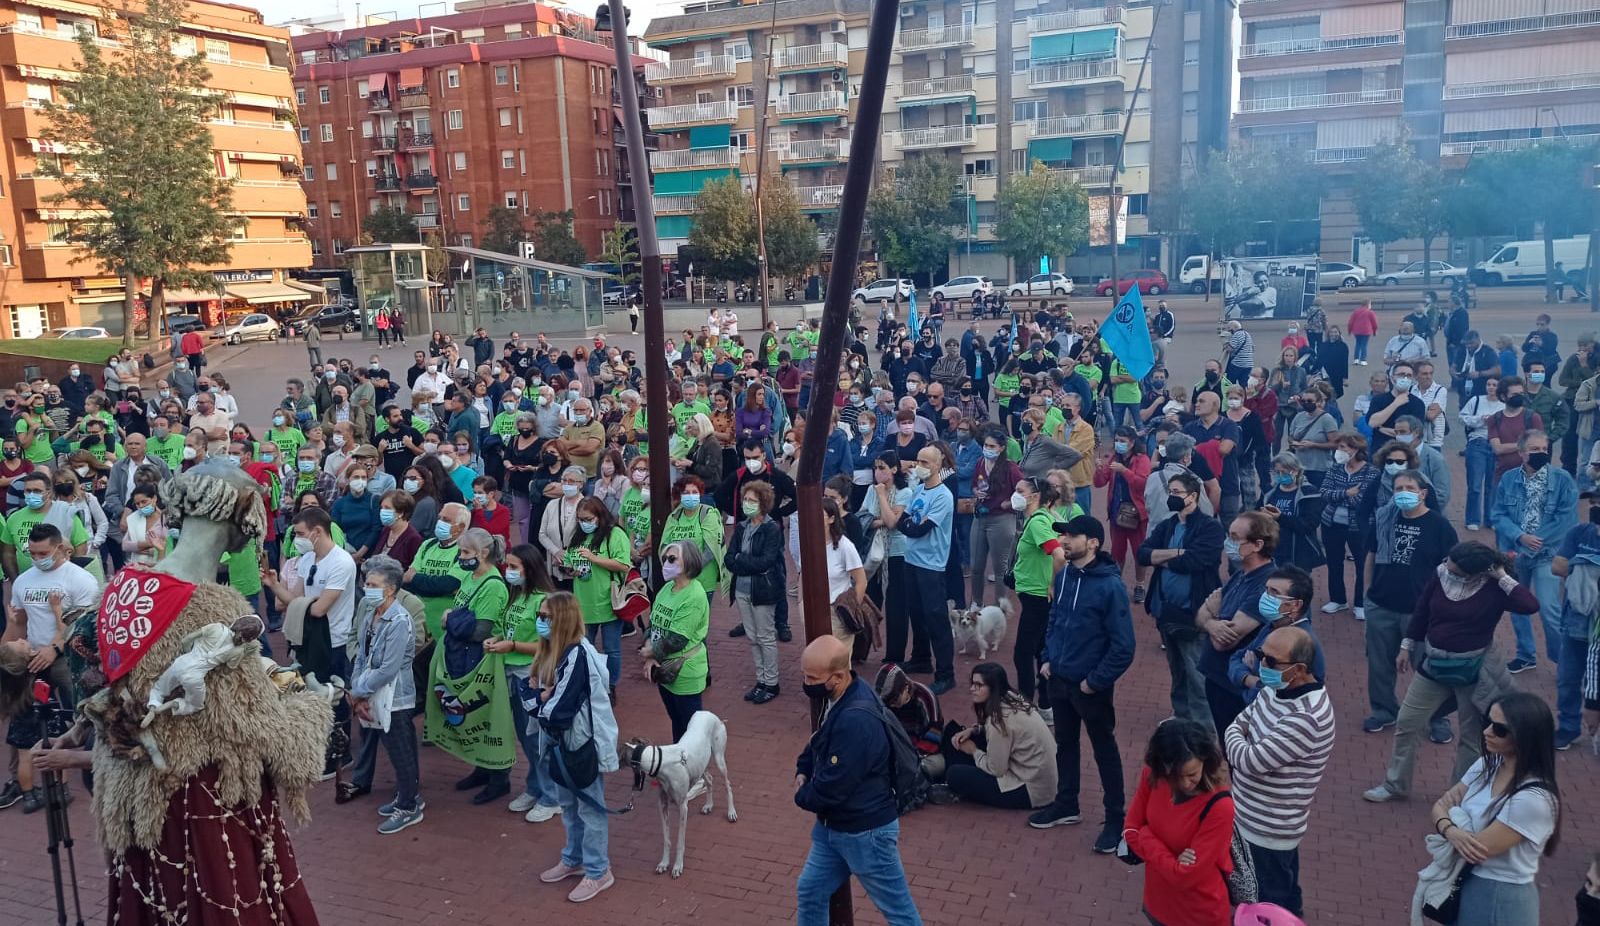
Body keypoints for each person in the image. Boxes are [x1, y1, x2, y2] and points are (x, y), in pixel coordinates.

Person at [1364, 542, 1536, 803]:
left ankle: (1457, 796)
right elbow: (1422, 610)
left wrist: (1501, 576)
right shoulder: (1442, 572)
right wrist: (1406, 645)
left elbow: (1529, 605)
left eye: (1455, 570)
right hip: (1434, 664)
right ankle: (1395, 784)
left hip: (1473, 670)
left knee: (1471, 737)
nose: (1447, 569)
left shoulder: (1494, 586)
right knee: (1408, 722)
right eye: (1448, 562)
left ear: (1473, 572)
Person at [794, 635, 923, 926]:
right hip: (836, 826)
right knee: (811, 890)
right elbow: (820, 742)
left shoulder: (855, 721)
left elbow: (834, 784)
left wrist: (803, 794)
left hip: (866, 832)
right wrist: (804, 765)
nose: (806, 683)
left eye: (812, 677)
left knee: (899, 911)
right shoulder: (845, 694)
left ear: (838, 677)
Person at [1028, 516, 1134, 853]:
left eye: (1072, 536)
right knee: (1066, 743)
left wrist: (1094, 681)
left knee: (1105, 751)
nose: (1065, 541)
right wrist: (1047, 658)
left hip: (1089, 686)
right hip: (1059, 678)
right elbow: (1055, 620)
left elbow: (1123, 647)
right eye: (1064, 536)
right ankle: (1067, 804)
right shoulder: (1064, 576)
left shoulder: (1110, 587)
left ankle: (1116, 819)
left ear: (1093, 543)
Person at [1421, 692, 1561, 925]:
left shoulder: (1534, 800)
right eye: (1487, 722)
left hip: (1500, 897)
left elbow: (1476, 848)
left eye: (1499, 729)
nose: (1486, 732)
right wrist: (1453, 830)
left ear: (1525, 736)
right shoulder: (1488, 764)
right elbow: (1441, 805)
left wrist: (1449, 821)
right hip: (1471, 884)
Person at [1225, 626, 1335, 917]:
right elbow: (1238, 724)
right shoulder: (1276, 690)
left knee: (1264, 909)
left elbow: (1248, 760)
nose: (1262, 666)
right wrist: (1239, 739)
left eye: (1271, 661)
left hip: (1268, 834)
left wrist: (1238, 742)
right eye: (1262, 656)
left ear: (1299, 669)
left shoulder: (1307, 717)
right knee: (1279, 899)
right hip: (1248, 819)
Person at [534, 591, 620, 904]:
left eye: (546, 617)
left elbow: (558, 707)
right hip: (562, 741)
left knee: (590, 806)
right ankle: (574, 858)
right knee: (568, 804)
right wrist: (540, 699)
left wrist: (537, 701)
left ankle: (598, 871)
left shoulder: (578, 655)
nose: (540, 621)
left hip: (581, 743)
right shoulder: (556, 651)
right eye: (540, 615)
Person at [1367, 469, 1459, 739]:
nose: (1403, 493)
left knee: (1429, 666)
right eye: (1398, 489)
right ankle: (1384, 710)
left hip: (1422, 611)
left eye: (1409, 487)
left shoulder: (1440, 527)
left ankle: (1437, 718)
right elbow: (1370, 556)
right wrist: (1368, 594)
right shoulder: (1384, 519)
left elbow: (1451, 570)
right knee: (1379, 663)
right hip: (1381, 605)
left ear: (1423, 493)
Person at [1121, 718, 1237, 926]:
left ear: (1205, 760)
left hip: (1199, 915)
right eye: (1175, 776)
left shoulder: (1220, 806)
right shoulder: (1153, 775)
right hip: (1157, 904)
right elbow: (1130, 830)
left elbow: (1187, 877)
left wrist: (1146, 836)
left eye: (1192, 774)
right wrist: (1172, 861)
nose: (1185, 783)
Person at [342, 555, 424, 834]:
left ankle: (409, 806)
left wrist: (358, 691)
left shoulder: (399, 620)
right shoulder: (370, 613)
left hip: (394, 697)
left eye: (373, 584)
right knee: (394, 747)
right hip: (371, 691)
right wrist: (357, 690)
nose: (367, 588)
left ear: (390, 589)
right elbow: (363, 656)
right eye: (367, 583)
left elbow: (389, 668)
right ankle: (406, 796)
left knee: (400, 750)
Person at [1139, 471, 1225, 728]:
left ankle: (1203, 727)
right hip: (1165, 611)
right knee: (1176, 670)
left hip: (1194, 612)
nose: (1171, 497)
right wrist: (1176, 552)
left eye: (1176, 493)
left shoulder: (1209, 527)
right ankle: (1181, 714)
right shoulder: (1167, 525)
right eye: (1170, 492)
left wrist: (1162, 558)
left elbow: (1195, 561)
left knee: (1197, 673)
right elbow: (1143, 554)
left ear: (1193, 496)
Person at [1491, 429, 1576, 674]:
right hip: (1514, 553)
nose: (1541, 453)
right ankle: (1525, 654)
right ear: (1521, 452)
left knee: (1549, 606)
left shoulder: (1562, 480)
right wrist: (1520, 537)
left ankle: (1563, 661)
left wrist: (1536, 540)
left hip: (1547, 553)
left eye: (1544, 449)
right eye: (1534, 449)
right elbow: (1497, 513)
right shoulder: (1508, 479)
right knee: (1517, 604)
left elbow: (1566, 519)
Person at [879, 442, 958, 693]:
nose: (919, 466)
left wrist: (906, 523)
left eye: (925, 462)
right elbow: (907, 522)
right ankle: (921, 657)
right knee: (917, 613)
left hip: (931, 565)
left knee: (936, 618)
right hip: (911, 560)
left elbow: (916, 528)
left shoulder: (943, 496)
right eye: (918, 461)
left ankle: (946, 672)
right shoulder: (920, 490)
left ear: (938, 465)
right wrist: (907, 523)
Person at [1198, 512, 1279, 735]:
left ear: (1257, 544)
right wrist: (1212, 622)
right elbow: (1201, 614)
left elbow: (1223, 641)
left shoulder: (1265, 585)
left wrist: (1212, 618)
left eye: (1234, 537)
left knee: (1236, 752)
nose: (1228, 543)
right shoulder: (1241, 575)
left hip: (1234, 688)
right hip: (1217, 678)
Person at [942, 662, 1057, 809]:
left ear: (993, 688)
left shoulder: (999, 721)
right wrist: (974, 730)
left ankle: (951, 782)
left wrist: (973, 751)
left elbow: (996, 769)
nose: (972, 689)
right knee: (955, 734)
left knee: (955, 774)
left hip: (1029, 791)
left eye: (978, 685)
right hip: (1041, 782)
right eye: (972, 683)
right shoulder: (1013, 698)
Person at [641, 540, 710, 743]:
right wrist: (649, 652)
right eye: (664, 559)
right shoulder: (666, 589)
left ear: (688, 562)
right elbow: (653, 625)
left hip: (685, 671)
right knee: (676, 721)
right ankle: (679, 767)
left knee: (691, 729)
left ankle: (695, 771)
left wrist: (650, 653)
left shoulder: (695, 595)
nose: (666, 564)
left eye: (672, 559)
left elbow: (677, 639)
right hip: (665, 670)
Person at [725, 481, 784, 704]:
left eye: (752, 500)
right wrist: (742, 560)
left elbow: (766, 562)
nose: (747, 504)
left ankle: (771, 682)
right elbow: (730, 558)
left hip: (763, 590)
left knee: (765, 636)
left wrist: (742, 559)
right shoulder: (741, 527)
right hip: (741, 589)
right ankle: (760, 680)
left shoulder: (771, 528)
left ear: (763, 503)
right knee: (752, 637)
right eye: (745, 500)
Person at [568, 497, 630, 695]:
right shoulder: (578, 537)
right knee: (585, 646)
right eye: (580, 519)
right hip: (583, 601)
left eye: (587, 519)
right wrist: (571, 569)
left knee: (612, 649)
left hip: (609, 599)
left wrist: (594, 558)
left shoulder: (614, 535)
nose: (583, 523)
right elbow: (571, 560)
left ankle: (610, 686)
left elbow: (623, 565)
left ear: (599, 516)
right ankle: (591, 683)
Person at [1318, 432, 1379, 620]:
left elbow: (1363, 500)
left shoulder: (1371, 472)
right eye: (1339, 447)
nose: (1339, 451)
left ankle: (1360, 603)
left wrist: (1340, 495)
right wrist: (1347, 493)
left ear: (1356, 450)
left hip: (1359, 526)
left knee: (1362, 564)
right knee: (1334, 562)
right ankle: (1338, 599)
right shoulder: (1335, 469)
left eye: (1343, 447)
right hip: (1332, 523)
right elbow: (1324, 493)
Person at [1095, 426, 1151, 600]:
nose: (1119, 444)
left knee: (1139, 552)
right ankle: (1116, 583)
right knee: (1117, 551)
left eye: (1123, 441)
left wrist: (1124, 471)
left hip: (1136, 515)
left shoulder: (1142, 460)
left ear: (1132, 442)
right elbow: (1099, 483)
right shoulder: (1114, 457)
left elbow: (1142, 483)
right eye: (1117, 440)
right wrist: (1099, 469)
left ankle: (1140, 584)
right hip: (1116, 512)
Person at [970, 426, 1023, 609]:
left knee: (1000, 568)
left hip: (1001, 519)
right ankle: (976, 603)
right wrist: (977, 492)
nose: (988, 449)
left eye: (992, 446)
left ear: (1001, 448)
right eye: (986, 445)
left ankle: (999, 607)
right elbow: (974, 485)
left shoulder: (1011, 468)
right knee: (976, 566)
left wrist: (1007, 503)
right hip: (980, 517)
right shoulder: (980, 463)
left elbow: (1023, 493)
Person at [1462, 376, 1505, 531]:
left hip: (1496, 444)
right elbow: (1463, 417)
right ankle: (1472, 519)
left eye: (1495, 384)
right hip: (1477, 442)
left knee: (1492, 485)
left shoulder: (1504, 405)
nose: (1491, 387)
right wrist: (1480, 419)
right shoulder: (1476, 400)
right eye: (1489, 384)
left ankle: (1491, 518)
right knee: (1475, 484)